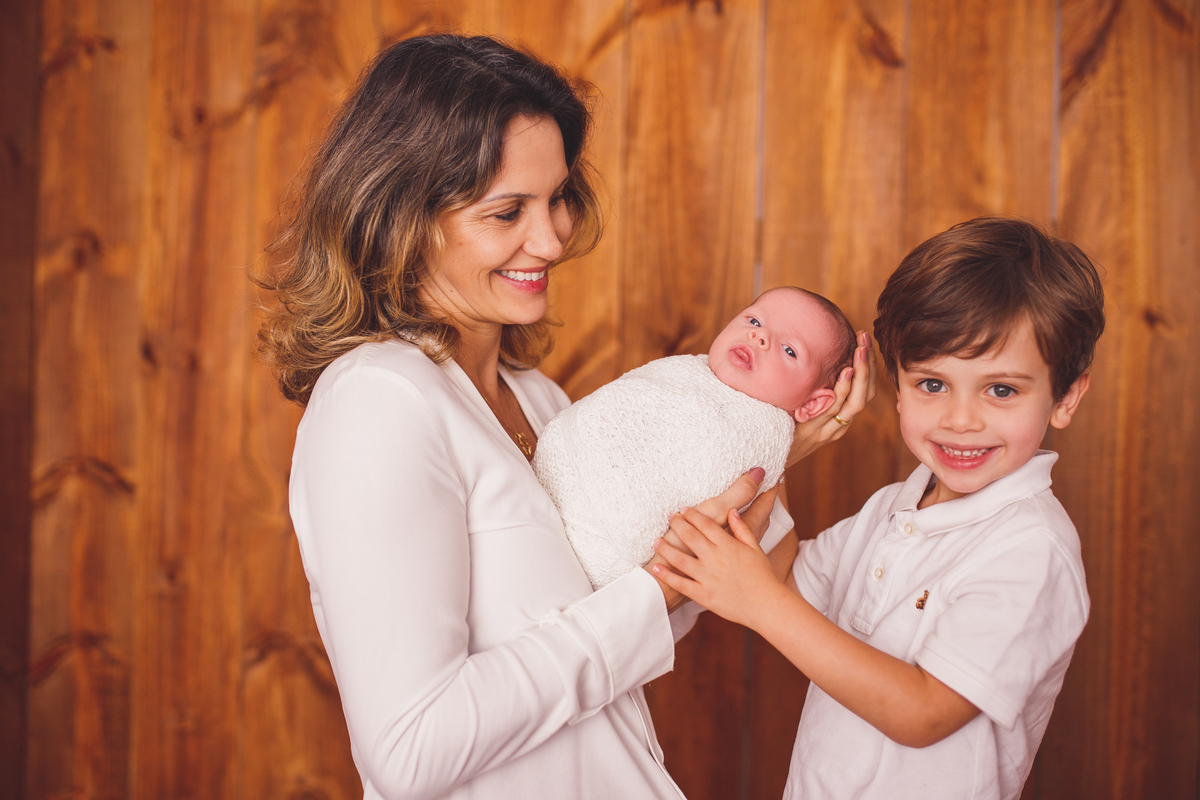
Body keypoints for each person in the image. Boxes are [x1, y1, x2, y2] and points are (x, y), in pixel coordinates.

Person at [253, 33, 875, 800]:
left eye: (557, 200)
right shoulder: (379, 401)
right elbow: (410, 751)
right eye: (507, 211)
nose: (550, 240)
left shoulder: (538, 398)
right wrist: (657, 592)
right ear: (401, 217)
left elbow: (620, 622)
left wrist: (768, 451)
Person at [651, 217, 1105, 799]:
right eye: (932, 385)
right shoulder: (896, 507)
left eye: (1001, 390)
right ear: (896, 386)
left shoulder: (1031, 550)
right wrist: (778, 431)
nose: (961, 419)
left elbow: (922, 713)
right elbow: (785, 578)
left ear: (1065, 396)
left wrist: (757, 604)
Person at [534, 286, 857, 589]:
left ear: (813, 404)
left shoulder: (759, 438)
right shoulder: (686, 372)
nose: (759, 336)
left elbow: (703, 492)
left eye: (789, 350)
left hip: (608, 547)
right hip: (548, 481)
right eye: (754, 320)